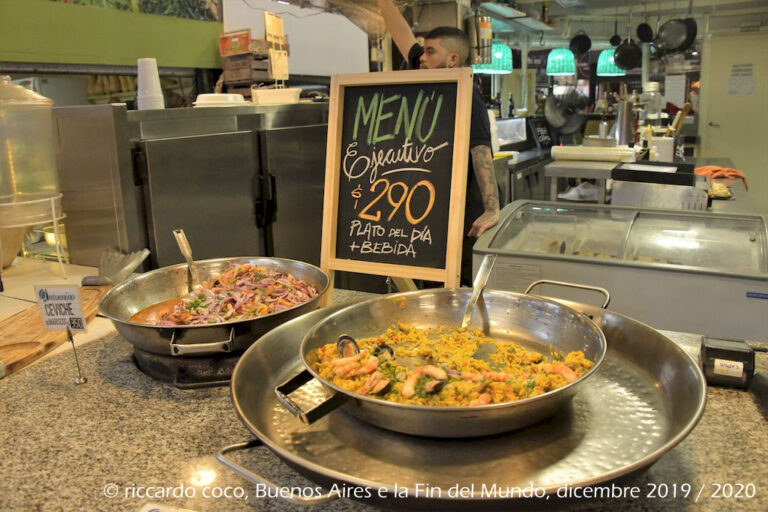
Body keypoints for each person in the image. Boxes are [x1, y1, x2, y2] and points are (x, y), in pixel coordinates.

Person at [377, 0, 500, 286]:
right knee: (433, 286)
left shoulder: (468, 96)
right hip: (434, 209)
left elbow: (481, 152)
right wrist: (384, 3)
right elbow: (403, 37)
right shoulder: (432, 79)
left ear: (453, 60)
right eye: (424, 50)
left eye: (430, 52)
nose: (422, 57)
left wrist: (493, 209)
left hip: (468, 219)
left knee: (459, 290)